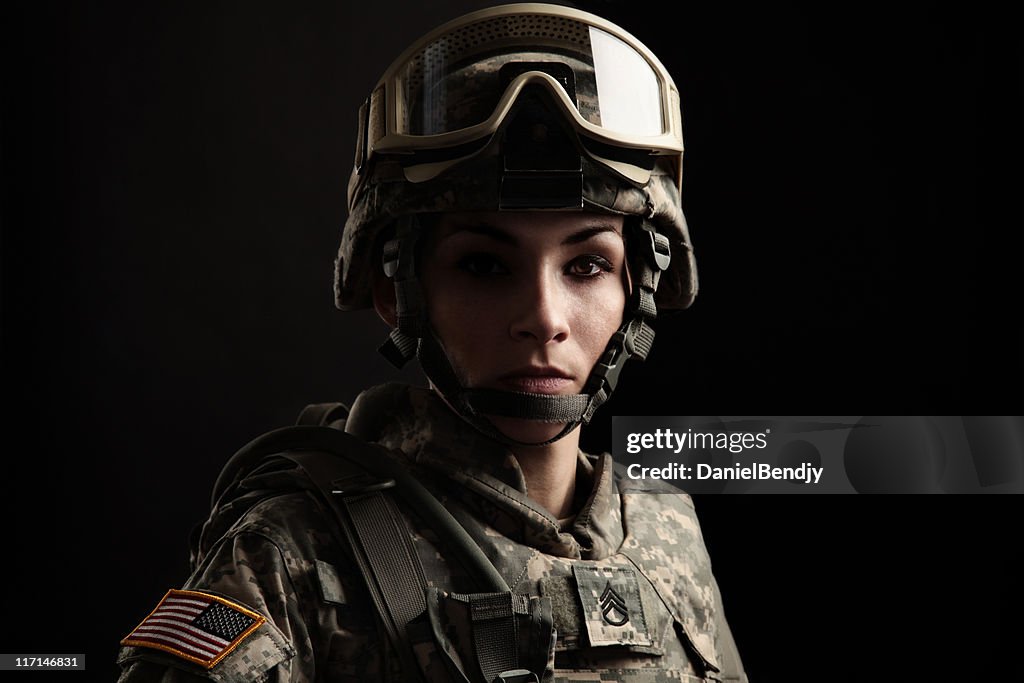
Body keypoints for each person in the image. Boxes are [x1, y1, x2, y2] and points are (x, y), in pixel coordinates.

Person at [116, 3, 748, 681]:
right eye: (484, 265)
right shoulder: (294, 550)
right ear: (399, 293)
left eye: (586, 265)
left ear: (637, 289)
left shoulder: (664, 529)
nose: (543, 316)